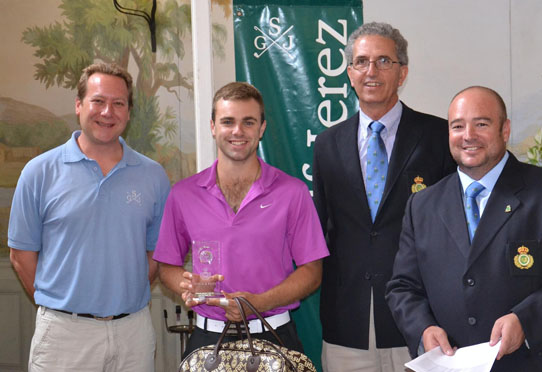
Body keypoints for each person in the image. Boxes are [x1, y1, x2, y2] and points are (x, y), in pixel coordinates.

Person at [386, 86, 542, 371]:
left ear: (505, 130)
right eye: (457, 126)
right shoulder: (422, 206)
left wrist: (527, 322)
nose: (468, 135)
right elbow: (403, 287)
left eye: (481, 124)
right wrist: (423, 329)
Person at [8, 62, 171, 372]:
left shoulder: (153, 176)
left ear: (128, 111)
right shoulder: (39, 172)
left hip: (133, 334)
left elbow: (155, 253)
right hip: (63, 336)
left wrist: (123, 296)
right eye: (98, 100)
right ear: (79, 105)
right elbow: (21, 256)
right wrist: (63, 305)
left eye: (118, 103)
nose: (107, 112)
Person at [312, 22, 456, 372]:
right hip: (348, 323)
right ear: (349, 73)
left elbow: (455, 230)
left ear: (402, 72)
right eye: (361, 62)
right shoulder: (327, 145)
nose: (371, 71)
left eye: (383, 61)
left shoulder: (438, 136)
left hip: (423, 322)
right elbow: (321, 229)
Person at [153, 81, 329, 358]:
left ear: (262, 128)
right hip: (207, 339)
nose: (237, 131)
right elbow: (167, 267)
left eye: (248, 122)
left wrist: (257, 303)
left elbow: (312, 271)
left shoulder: (292, 192)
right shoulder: (183, 194)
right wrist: (186, 285)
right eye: (227, 121)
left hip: (275, 337)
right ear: (213, 127)